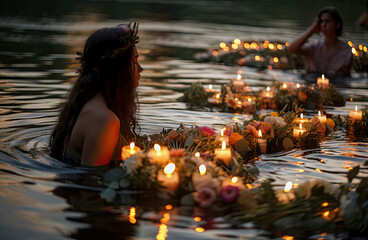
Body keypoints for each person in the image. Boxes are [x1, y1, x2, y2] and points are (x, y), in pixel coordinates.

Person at [50, 22, 143, 166]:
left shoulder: (86, 102)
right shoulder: (104, 120)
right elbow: (91, 183)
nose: (140, 69)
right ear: (118, 69)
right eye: (135, 61)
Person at [288, 7, 353, 78]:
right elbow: (291, 49)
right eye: (321, 22)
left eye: (327, 21)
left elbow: (346, 76)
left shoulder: (345, 51)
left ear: (337, 25)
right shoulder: (314, 47)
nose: (323, 25)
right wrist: (312, 30)